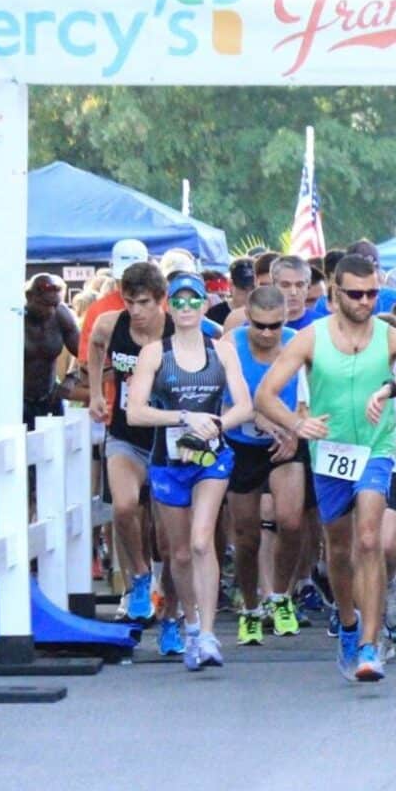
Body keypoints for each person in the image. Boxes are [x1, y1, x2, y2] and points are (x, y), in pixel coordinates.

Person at [252, 253, 396, 683]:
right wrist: (296, 424)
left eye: (372, 293)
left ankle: (370, 646)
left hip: (377, 449)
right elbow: (265, 395)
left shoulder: (389, 335)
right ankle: (348, 623)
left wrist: (393, 388)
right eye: (356, 294)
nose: (365, 302)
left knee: (370, 538)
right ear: (336, 293)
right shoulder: (312, 337)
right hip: (330, 453)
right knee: (338, 550)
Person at [121, 273, 254, 671]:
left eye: (192, 300)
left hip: (211, 458)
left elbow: (244, 405)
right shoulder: (154, 354)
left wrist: (217, 424)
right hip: (168, 461)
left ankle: (209, 634)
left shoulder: (222, 351)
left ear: (203, 304)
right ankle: (191, 624)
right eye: (177, 302)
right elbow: (135, 411)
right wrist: (183, 417)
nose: (185, 308)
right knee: (177, 552)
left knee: (200, 541)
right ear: (169, 305)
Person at [224, 285, 308, 643]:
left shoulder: (297, 343)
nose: (268, 333)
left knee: (290, 521)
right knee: (246, 536)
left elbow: (308, 397)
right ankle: (250, 606)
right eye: (260, 325)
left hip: (284, 442)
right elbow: (220, 402)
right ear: (248, 318)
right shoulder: (230, 345)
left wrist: (296, 431)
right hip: (242, 444)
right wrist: (256, 414)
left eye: (275, 325)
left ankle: (280, 596)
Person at [87, 261, 168, 625]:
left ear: (161, 299)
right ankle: (138, 579)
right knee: (123, 508)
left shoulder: (176, 331)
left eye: (144, 302)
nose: (136, 311)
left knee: (164, 530)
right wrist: (96, 392)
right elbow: (95, 345)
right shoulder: (111, 324)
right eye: (130, 302)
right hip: (124, 435)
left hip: (165, 439)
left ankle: (170, 595)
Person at [22, 274, 79, 427]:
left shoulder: (61, 314)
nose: (50, 311)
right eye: (44, 304)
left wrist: (72, 376)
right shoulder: (14, 317)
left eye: (54, 305)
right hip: (17, 399)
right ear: (29, 297)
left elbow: (86, 353)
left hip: (50, 396)